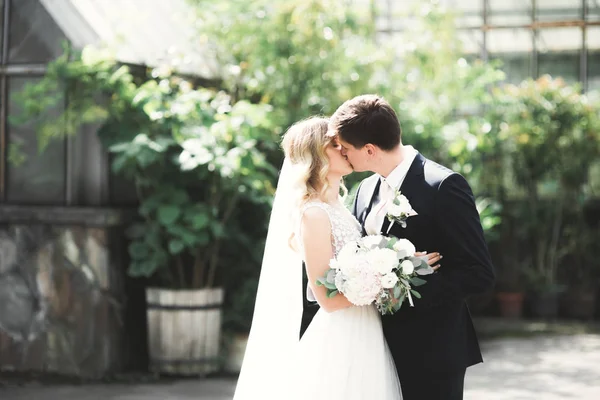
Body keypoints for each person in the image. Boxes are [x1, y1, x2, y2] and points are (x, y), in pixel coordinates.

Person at [233, 116, 441, 400]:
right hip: (344, 335)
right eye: (335, 144)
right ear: (316, 154)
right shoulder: (314, 214)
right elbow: (327, 299)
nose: (345, 148)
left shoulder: (340, 206)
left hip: (367, 329)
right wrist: (397, 273)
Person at [327, 94, 496, 400]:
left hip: (432, 350)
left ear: (368, 150)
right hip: (374, 347)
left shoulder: (443, 186)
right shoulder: (364, 190)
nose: (342, 155)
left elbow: (479, 273)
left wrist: (403, 284)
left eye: (346, 149)